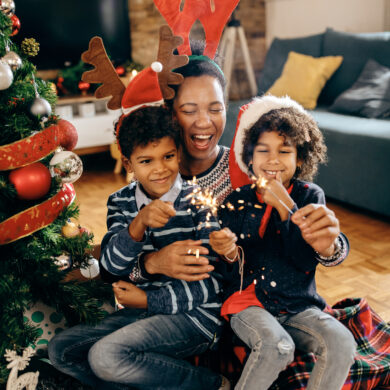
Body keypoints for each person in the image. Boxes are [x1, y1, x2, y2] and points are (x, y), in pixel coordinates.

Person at [48, 63, 231, 389]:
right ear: (129, 164)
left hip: (193, 317)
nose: (160, 170)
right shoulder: (121, 202)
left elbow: (209, 286)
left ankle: (213, 385)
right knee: (61, 350)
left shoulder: (197, 202)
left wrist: (148, 301)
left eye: (169, 157)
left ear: (178, 154)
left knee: (106, 357)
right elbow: (113, 267)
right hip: (142, 311)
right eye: (146, 161)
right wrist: (137, 226)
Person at [129, 41, 349, 284]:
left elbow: (300, 245)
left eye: (215, 109)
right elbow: (119, 268)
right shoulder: (153, 176)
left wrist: (331, 247)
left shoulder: (252, 167)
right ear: (170, 113)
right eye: (190, 110)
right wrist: (152, 263)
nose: (204, 122)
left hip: (251, 307)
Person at [209, 95, 357, 390]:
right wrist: (226, 253)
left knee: (342, 342)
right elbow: (227, 270)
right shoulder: (237, 201)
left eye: (284, 151)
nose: (273, 159)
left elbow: (303, 258)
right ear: (250, 158)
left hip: (298, 306)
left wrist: (285, 207)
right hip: (247, 305)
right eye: (262, 150)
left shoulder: (308, 196)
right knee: (278, 346)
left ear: (300, 158)